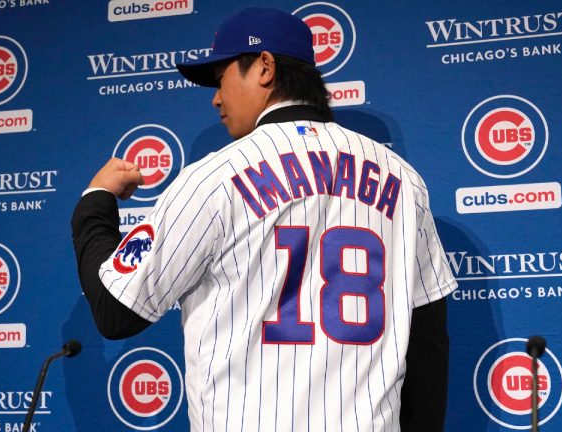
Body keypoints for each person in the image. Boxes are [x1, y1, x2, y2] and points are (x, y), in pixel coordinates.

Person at [72, 7, 456, 431]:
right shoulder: (403, 179)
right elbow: (426, 346)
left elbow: (115, 310)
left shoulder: (213, 178)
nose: (216, 97)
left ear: (265, 67)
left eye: (221, 78)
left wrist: (96, 201)